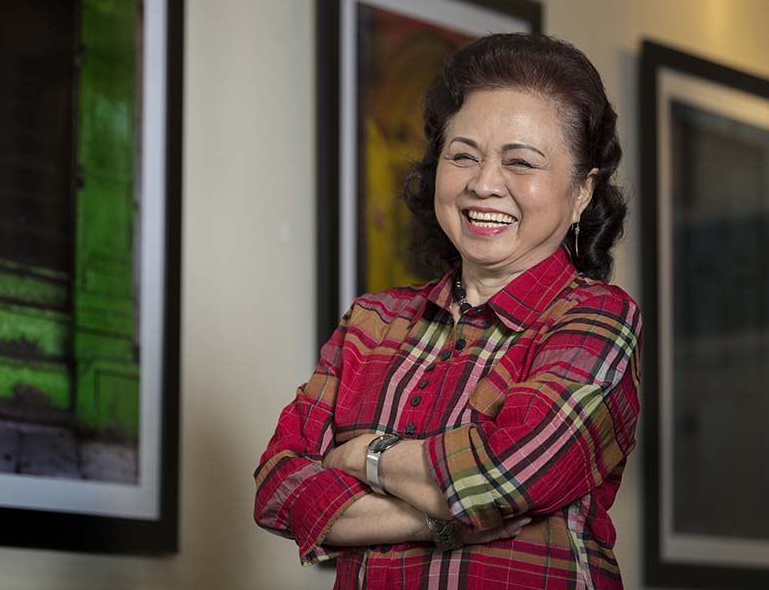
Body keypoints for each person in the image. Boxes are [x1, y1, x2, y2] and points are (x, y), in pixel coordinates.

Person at [254, 33, 641, 589]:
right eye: (463, 156)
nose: (484, 184)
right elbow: (278, 487)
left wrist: (367, 457)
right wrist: (442, 522)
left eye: (520, 162)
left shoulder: (599, 320)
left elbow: (506, 477)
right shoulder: (372, 321)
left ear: (582, 191)